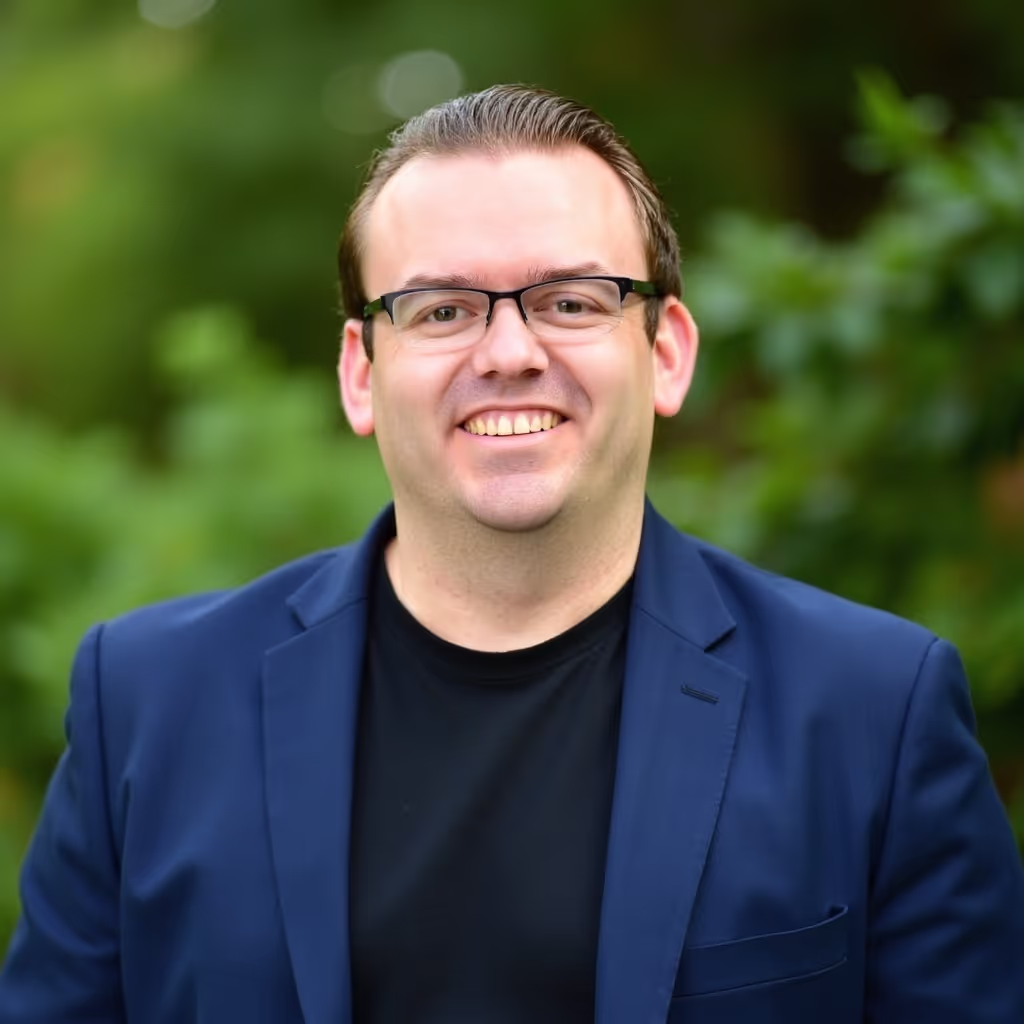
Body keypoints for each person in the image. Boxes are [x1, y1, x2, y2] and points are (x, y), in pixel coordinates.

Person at [1, 84, 1022, 1024]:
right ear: (361, 373)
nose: (507, 352)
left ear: (665, 352)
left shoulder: (872, 710)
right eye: (441, 309)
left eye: (570, 300)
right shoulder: (144, 702)